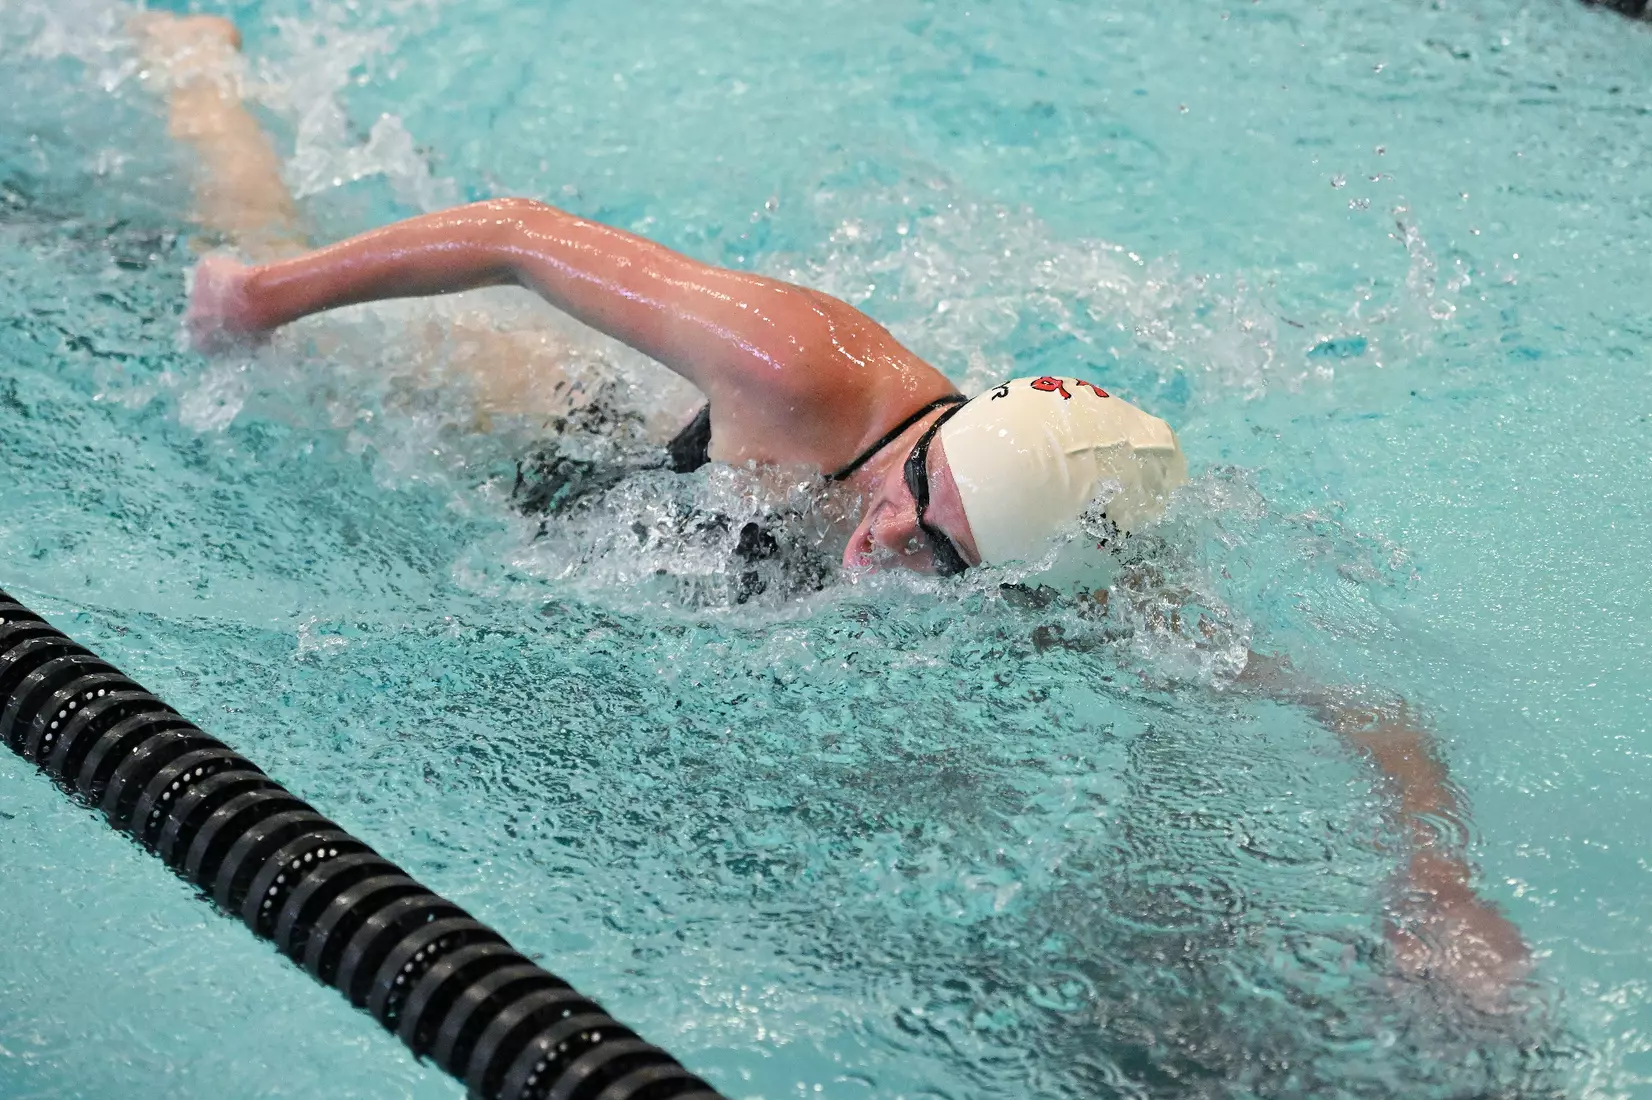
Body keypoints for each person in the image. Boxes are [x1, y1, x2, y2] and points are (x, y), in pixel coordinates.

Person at [137, 13, 1530, 1007]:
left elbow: (1361, 712)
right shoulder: (788, 363)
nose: (886, 554)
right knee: (259, 238)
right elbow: (516, 231)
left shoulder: (1075, 559)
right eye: (912, 519)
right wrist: (262, 305)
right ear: (928, 445)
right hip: (558, 441)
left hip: (674, 549)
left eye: (943, 571)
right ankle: (196, 74)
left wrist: (1437, 883)